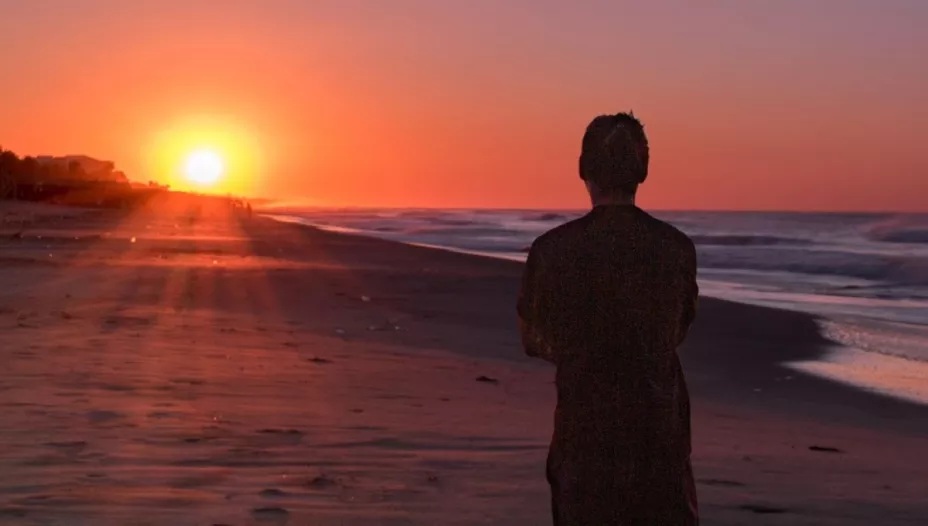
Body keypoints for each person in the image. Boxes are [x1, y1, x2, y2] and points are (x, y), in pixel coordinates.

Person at [517, 112, 699, 525]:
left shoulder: (552, 251)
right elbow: (678, 329)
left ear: (582, 169)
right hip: (659, 432)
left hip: (585, 431)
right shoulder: (676, 248)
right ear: (643, 170)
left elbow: (533, 338)